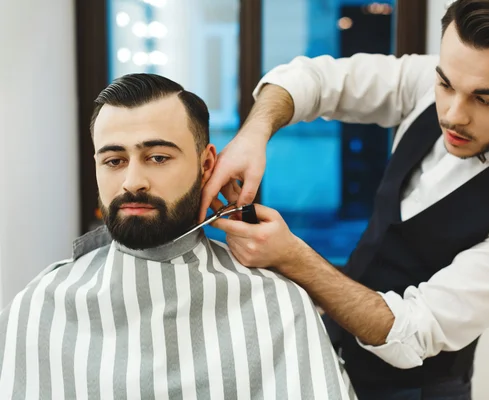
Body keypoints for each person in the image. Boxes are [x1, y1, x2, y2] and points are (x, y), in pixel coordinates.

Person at [203, 0, 489, 398]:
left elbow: (413, 332)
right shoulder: (429, 80)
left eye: (485, 100)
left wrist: (293, 258)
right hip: (331, 357)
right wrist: (254, 134)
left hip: (414, 390)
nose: (453, 114)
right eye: (446, 85)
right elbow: (313, 78)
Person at [0, 74, 357, 400]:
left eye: (157, 157)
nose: (132, 181)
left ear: (206, 166)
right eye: (113, 161)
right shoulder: (36, 309)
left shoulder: (276, 304)